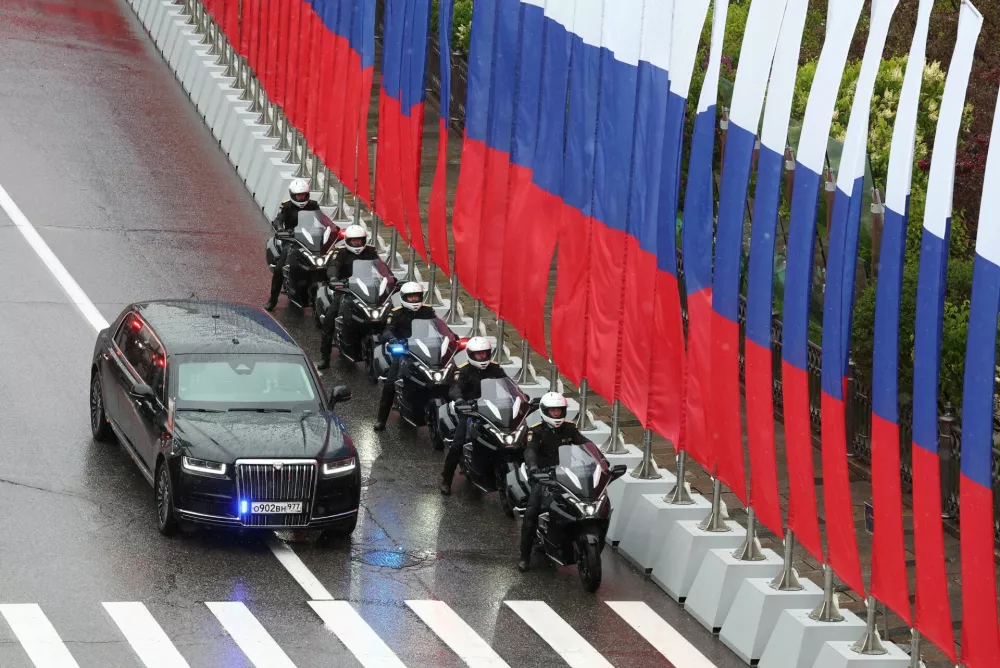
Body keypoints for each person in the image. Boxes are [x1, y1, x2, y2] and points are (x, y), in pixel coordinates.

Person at [518, 391, 590, 572]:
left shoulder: (569, 428)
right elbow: (530, 451)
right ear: (545, 411)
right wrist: (533, 468)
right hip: (543, 476)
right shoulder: (536, 431)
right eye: (553, 411)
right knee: (531, 513)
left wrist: (600, 459)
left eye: (559, 410)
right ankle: (524, 556)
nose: (556, 414)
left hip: (566, 473)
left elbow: (585, 444)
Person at [439, 336, 509, 496]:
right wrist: (460, 400)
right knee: (457, 444)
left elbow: (508, 384)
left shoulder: (495, 369)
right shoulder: (464, 371)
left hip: (493, 410)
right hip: (471, 411)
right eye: (479, 354)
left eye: (485, 353)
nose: (482, 357)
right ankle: (446, 480)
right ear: (471, 354)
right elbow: (455, 388)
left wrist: (520, 397)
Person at [373, 282, 438, 431]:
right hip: (404, 351)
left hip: (425, 350)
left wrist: (451, 337)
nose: (414, 300)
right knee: (390, 384)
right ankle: (381, 419)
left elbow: (439, 326)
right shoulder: (396, 313)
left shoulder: (428, 311)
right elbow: (387, 330)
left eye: (416, 296)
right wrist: (393, 340)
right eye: (411, 297)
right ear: (404, 298)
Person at [317, 225, 379, 369]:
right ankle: (324, 357)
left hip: (369, 289)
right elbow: (333, 267)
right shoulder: (340, 252)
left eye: (359, 240)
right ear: (348, 240)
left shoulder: (371, 251)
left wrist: (390, 279)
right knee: (330, 318)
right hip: (345, 289)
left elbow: (381, 268)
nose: (357, 243)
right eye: (354, 240)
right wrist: (334, 278)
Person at [264, 179, 320, 311]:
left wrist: (330, 229)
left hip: (310, 240)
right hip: (291, 240)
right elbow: (278, 220)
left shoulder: (313, 205)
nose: (301, 198)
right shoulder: (287, 206)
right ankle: (272, 300)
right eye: (298, 195)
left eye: (303, 195)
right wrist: (280, 229)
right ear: (293, 195)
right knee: (280, 268)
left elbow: (321, 220)